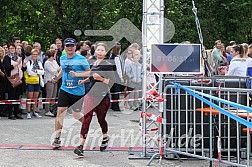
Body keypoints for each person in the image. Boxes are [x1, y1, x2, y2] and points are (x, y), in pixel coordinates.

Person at [73, 43, 115, 156]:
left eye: (102, 50)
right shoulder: (93, 63)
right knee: (87, 119)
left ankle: (105, 136)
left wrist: (101, 78)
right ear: (95, 52)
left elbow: (112, 83)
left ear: (105, 53)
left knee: (101, 119)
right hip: (90, 95)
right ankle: (81, 146)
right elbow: (92, 76)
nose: (100, 51)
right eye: (98, 50)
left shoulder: (108, 65)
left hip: (102, 96)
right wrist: (84, 80)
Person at [52, 38, 90, 147]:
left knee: (76, 114)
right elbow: (63, 70)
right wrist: (57, 77)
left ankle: (86, 123)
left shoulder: (81, 59)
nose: (70, 48)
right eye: (68, 46)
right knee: (60, 112)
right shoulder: (63, 58)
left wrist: (78, 75)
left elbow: (89, 73)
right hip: (65, 89)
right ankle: (57, 138)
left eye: (72, 46)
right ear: (64, 47)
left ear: (75, 47)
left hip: (77, 91)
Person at [3, 43, 28, 120]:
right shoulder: (6, 58)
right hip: (11, 80)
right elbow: (7, 68)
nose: (12, 50)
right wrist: (16, 64)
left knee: (17, 97)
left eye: (13, 48)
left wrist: (24, 64)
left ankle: (17, 112)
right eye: (10, 48)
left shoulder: (18, 57)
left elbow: (23, 69)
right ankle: (11, 113)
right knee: (11, 97)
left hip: (19, 79)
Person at [25, 49, 44, 119]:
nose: (35, 56)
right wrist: (37, 72)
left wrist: (35, 71)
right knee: (29, 97)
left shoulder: (39, 63)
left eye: (36, 54)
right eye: (33, 54)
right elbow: (30, 72)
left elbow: (42, 72)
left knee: (35, 97)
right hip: (30, 82)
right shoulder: (29, 62)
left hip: (37, 81)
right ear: (31, 55)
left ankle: (35, 111)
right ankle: (28, 112)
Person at [44, 50, 61, 116]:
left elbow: (57, 71)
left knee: (54, 96)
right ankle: (47, 110)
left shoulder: (54, 61)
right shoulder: (47, 63)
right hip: (49, 81)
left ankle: (53, 109)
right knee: (49, 96)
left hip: (55, 80)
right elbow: (53, 71)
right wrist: (59, 68)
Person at [109, 42, 124, 111]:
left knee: (113, 91)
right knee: (116, 91)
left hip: (111, 75)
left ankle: (113, 105)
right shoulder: (117, 58)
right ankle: (115, 106)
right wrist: (121, 77)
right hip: (116, 76)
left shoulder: (111, 56)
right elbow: (119, 68)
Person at [0, 47, 6, 117]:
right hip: (1, 78)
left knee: (3, 95)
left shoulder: (5, 59)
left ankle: (2, 110)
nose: (0, 52)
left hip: (4, 80)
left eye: (1, 51)